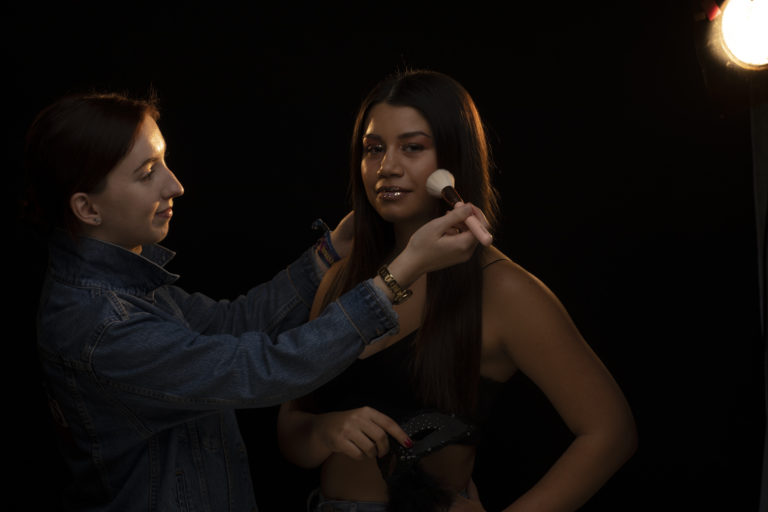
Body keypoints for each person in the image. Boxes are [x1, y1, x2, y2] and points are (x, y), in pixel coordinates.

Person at [21, 90, 484, 512]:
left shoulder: (130, 287)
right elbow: (258, 368)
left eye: (164, 161)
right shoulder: (101, 327)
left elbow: (235, 322)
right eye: (146, 174)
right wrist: (399, 275)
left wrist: (330, 252)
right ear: (87, 209)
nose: (175, 186)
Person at [277, 69, 638, 512]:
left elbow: (610, 431)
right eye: (373, 149)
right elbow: (290, 424)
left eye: (412, 147)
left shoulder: (501, 289)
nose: (387, 166)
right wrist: (325, 431)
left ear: (453, 158)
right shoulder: (344, 278)